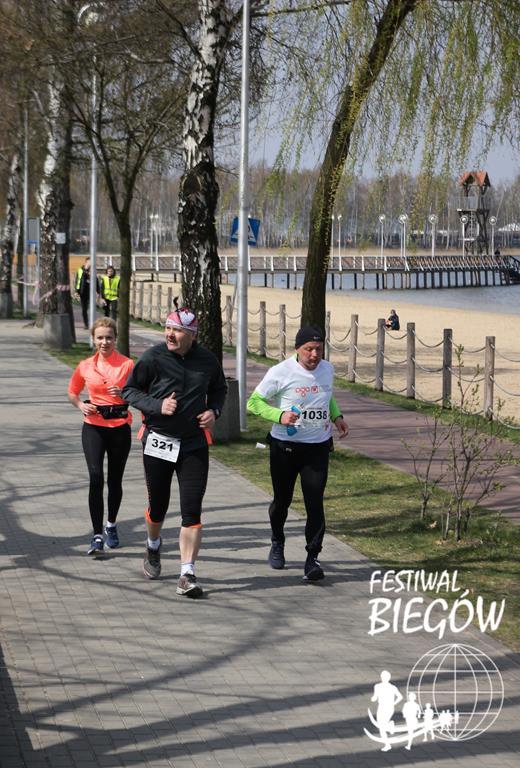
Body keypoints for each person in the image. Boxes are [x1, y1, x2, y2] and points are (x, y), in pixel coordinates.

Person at [122, 303, 227, 598]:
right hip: (159, 440)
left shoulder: (207, 360)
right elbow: (129, 391)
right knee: (158, 506)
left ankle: (186, 573)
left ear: (192, 335)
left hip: (194, 444)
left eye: (177, 330)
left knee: (191, 509)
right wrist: (158, 406)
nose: (169, 334)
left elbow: (219, 389)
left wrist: (214, 411)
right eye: (168, 328)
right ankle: (153, 546)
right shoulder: (153, 357)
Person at [246, 325, 349, 581]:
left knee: (315, 503)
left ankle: (312, 558)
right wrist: (279, 415)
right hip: (285, 447)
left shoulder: (327, 369)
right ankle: (277, 540)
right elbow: (253, 403)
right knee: (282, 501)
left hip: (317, 447)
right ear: (297, 349)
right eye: (309, 349)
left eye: (319, 349)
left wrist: (337, 416)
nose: (314, 355)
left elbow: (326, 395)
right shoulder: (280, 372)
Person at [68, 317, 134, 556]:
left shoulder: (127, 365)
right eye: (100, 338)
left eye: (109, 338)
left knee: (115, 480)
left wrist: (124, 393)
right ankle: (97, 535)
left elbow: (140, 393)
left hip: (119, 428)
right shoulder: (85, 365)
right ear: (93, 339)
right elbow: (73, 392)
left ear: (115, 339)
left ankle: (111, 525)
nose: (104, 342)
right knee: (96, 477)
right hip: (93, 427)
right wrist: (80, 405)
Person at [371, 671, 403, 752]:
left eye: (385, 677)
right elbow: (375, 697)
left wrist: (393, 703)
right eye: (382, 677)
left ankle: (390, 726)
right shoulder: (377, 686)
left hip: (388, 707)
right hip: (381, 707)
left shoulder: (392, 687)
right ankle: (387, 744)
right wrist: (373, 699)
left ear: (388, 678)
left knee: (382, 726)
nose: (383, 678)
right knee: (381, 726)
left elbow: (400, 697)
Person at [75, 257, 92, 329]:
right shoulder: (80, 270)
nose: (90, 263)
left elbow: (96, 281)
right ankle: (86, 324)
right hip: (82, 292)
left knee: (91, 308)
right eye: (89, 262)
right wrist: (76, 291)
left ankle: (92, 323)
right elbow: (77, 280)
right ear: (86, 262)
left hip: (90, 292)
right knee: (84, 309)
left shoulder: (92, 270)